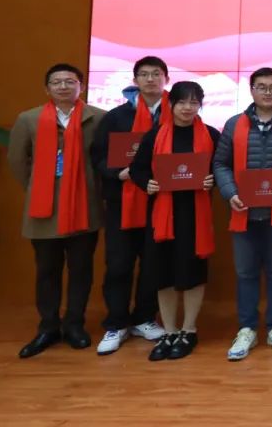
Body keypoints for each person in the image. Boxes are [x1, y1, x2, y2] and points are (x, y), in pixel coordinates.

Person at [213, 67, 272, 361]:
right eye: (262, 87)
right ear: (252, 90)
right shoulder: (234, 124)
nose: (268, 92)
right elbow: (221, 164)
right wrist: (230, 193)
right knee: (245, 272)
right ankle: (247, 329)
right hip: (243, 212)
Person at [9, 63, 105, 358]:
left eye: (70, 81)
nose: (63, 86)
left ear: (81, 86)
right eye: (56, 82)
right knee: (47, 270)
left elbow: (104, 160)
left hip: (84, 207)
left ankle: (74, 324)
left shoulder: (98, 118)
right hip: (44, 209)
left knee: (81, 269)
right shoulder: (29, 119)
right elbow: (18, 161)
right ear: (47, 88)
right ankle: (48, 326)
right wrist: (38, 188)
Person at [128, 80, 220, 361]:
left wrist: (213, 180)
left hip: (195, 214)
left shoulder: (211, 135)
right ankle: (169, 331)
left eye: (194, 102)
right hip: (162, 215)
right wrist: (148, 183)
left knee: (193, 271)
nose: (188, 108)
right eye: (182, 102)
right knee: (163, 273)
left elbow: (222, 168)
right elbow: (137, 169)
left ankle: (189, 330)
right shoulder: (155, 135)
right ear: (171, 104)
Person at [89, 56, 169, 354]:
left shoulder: (175, 114)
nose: (150, 79)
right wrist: (117, 173)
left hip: (161, 200)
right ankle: (117, 323)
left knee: (153, 264)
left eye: (156, 74)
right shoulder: (116, 117)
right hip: (122, 200)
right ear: (135, 80)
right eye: (144, 74)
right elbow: (98, 155)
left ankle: (144, 318)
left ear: (166, 79)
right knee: (119, 264)